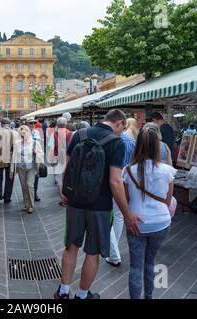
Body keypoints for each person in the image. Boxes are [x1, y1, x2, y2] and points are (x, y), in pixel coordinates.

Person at [55, 109, 141, 299]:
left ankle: (63, 291)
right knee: (92, 251)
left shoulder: (79, 135)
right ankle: (83, 295)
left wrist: (65, 192)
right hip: (100, 206)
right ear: (118, 123)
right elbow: (115, 181)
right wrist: (126, 213)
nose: (121, 131)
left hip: (75, 202)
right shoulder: (116, 142)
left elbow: (67, 167)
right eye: (122, 127)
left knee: (71, 246)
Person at [124, 126, 176, 299]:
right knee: (151, 262)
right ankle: (149, 297)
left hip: (136, 223)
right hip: (161, 223)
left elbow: (127, 200)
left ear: (138, 145)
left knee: (135, 267)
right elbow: (167, 202)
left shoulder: (128, 170)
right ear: (157, 146)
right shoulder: (167, 171)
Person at [105, 125, 136, 267]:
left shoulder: (111, 141)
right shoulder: (132, 142)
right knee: (118, 216)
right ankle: (114, 250)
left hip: (110, 182)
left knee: (106, 216)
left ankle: (114, 253)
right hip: (125, 183)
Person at [10, 125, 44, 214]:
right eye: (21, 134)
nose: (23, 135)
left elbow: (41, 155)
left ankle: (31, 205)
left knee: (29, 185)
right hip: (21, 167)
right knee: (24, 186)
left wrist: (36, 153)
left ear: (28, 133)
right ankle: (26, 204)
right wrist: (12, 170)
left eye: (24, 133)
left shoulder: (35, 143)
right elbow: (14, 156)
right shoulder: (17, 143)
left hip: (31, 167)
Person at [0, 118, 17, 204]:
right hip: (11, 158)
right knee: (10, 178)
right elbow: (16, 148)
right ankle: (7, 197)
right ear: (9, 124)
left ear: (1, 124)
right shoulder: (15, 133)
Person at [48, 117, 73, 206]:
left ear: (57, 125)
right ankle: (69, 197)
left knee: (59, 180)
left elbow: (51, 148)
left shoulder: (54, 134)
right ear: (66, 124)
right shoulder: (71, 134)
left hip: (58, 159)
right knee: (69, 178)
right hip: (69, 159)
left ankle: (63, 199)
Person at [26, 118, 42, 202]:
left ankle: (35, 193)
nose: (32, 124)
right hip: (26, 159)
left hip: (35, 158)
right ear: (27, 124)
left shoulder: (37, 132)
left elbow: (39, 144)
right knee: (26, 180)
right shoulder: (23, 132)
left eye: (34, 123)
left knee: (36, 176)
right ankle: (27, 196)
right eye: (30, 123)